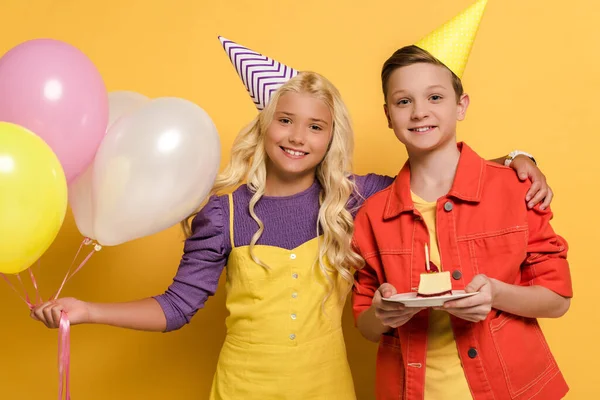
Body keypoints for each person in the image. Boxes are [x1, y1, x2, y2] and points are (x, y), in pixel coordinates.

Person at [31, 35, 552, 400]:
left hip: (326, 390)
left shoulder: (355, 198)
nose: (298, 138)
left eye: (316, 127)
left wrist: (515, 159)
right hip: (240, 390)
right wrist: (89, 311)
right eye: (286, 121)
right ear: (266, 125)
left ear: (331, 138)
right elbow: (178, 306)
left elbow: (439, 173)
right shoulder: (223, 211)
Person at [351, 1, 572, 399]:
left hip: (513, 389)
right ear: (387, 115)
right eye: (404, 102)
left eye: (435, 97)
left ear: (461, 105)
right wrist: (383, 313)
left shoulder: (515, 187)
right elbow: (364, 324)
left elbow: (557, 299)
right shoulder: (372, 213)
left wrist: (495, 294)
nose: (419, 112)